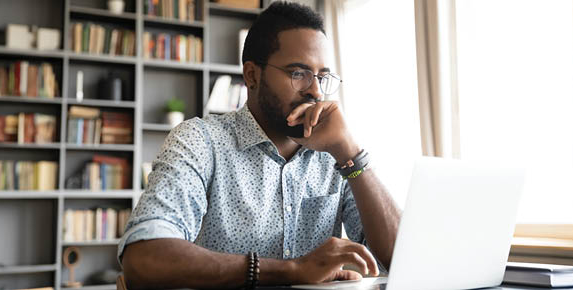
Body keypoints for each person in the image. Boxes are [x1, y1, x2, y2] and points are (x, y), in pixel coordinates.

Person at [119, 2, 400, 289]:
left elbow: (402, 258)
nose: (315, 90)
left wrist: (351, 154)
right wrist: (292, 270)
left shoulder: (336, 155)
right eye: (298, 73)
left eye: (322, 76)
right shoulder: (200, 141)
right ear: (252, 75)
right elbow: (144, 257)